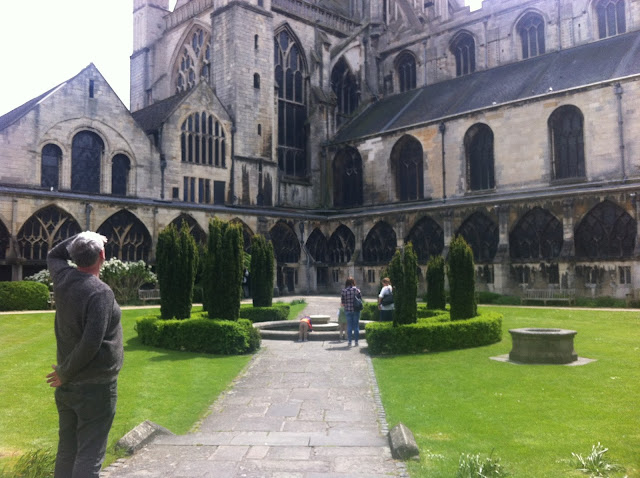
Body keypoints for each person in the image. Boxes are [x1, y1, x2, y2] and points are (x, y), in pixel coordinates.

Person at [45, 231, 123, 478]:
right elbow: (91, 343)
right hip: (94, 388)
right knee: (90, 455)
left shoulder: (63, 277)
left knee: (68, 451)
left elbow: (53, 253)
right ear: (103, 255)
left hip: (68, 388)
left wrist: (83, 236)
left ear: (76, 255)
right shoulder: (100, 292)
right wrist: (65, 373)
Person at [341, 277, 362, 346]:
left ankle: (349, 341)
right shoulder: (357, 290)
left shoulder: (344, 291)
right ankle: (356, 342)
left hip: (348, 310)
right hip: (356, 310)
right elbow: (360, 301)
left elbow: (342, 303)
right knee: (356, 326)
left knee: (349, 326)